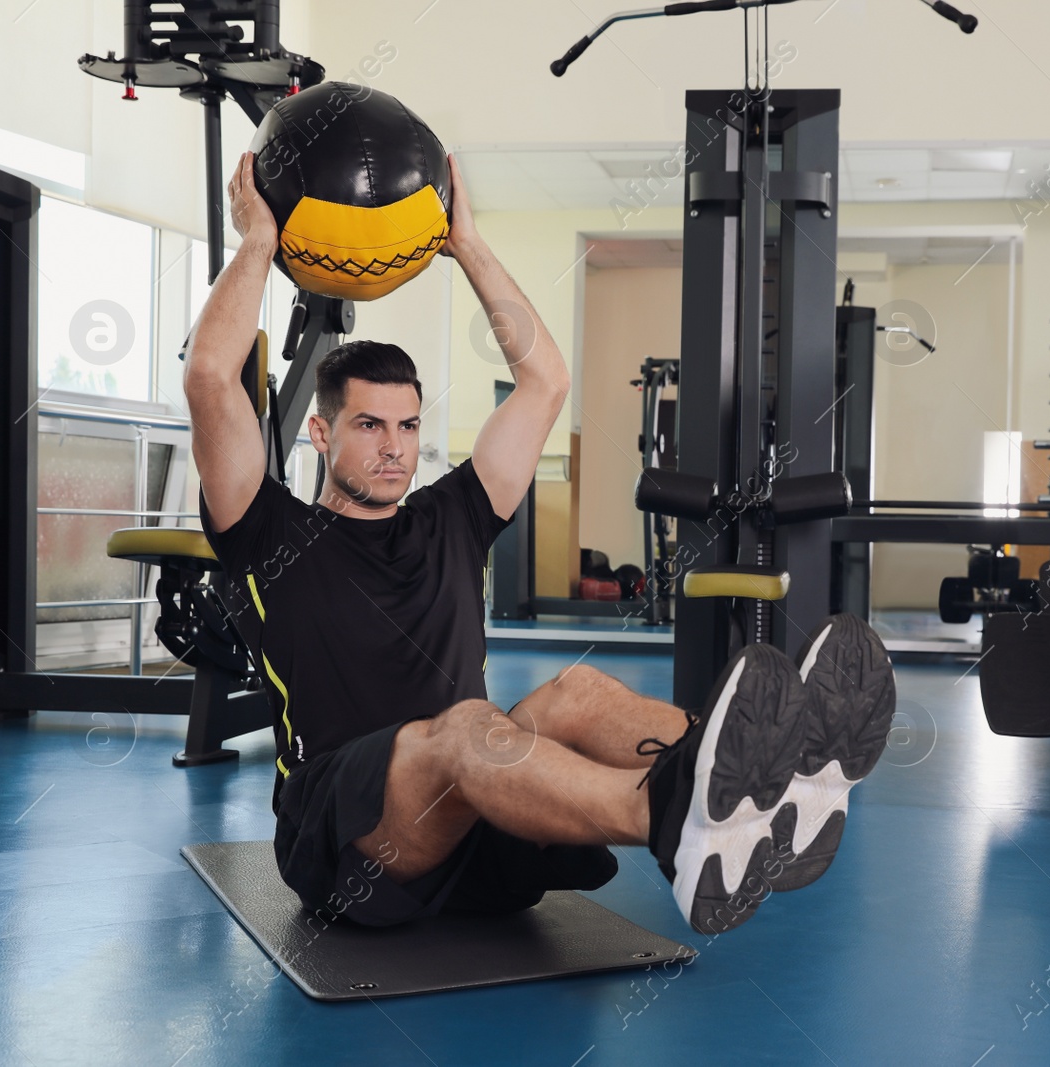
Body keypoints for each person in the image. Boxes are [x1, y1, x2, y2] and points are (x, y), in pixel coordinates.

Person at [184, 150, 897, 935]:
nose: (394, 447)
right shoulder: (270, 530)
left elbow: (545, 381)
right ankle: (673, 821)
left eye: (409, 425)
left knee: (578, 692)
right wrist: (257, 239)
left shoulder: (451, 515)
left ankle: (778, 778)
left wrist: (468, 245)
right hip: (354, 842)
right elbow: (212, 377)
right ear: (320, 432)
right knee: (464, 726)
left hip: (484, 816)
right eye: (369, 425)